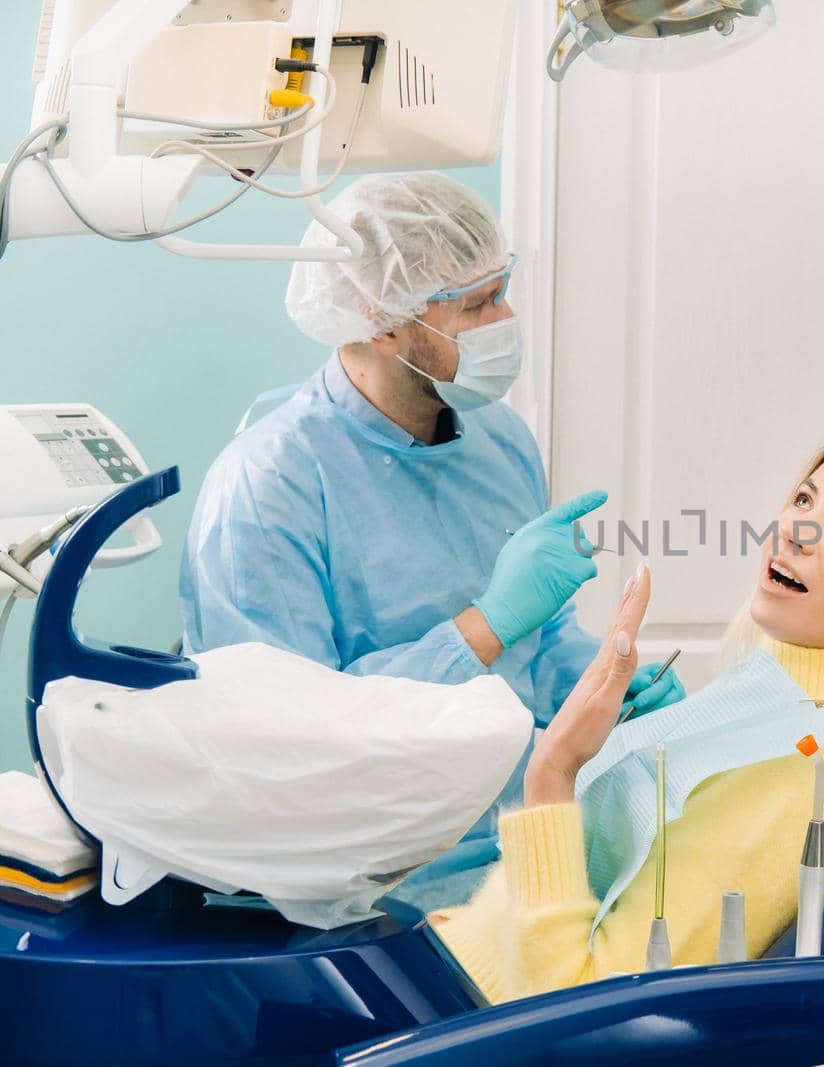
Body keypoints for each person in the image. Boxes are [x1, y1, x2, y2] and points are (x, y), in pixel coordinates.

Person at [178, 172, 684, 910]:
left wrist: (603, 688)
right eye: (479, 304)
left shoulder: (500, 440)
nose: (506, 318)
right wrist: (482, 626)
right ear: (381, 319)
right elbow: (290, 745)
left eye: (502, 289)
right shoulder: (266, 488)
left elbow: (536, 651)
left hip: (516, 845)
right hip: (366, 891)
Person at [430, 431, 824, 999]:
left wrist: (551, 774)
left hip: (469, 1017)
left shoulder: (807, 770)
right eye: (804, 499)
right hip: (450, 969)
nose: (795, 531)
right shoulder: (788, 709)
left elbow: (575, 1011)